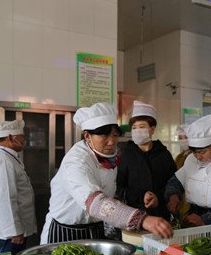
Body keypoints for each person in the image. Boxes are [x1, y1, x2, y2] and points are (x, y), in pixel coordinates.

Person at [40, 103, 172, 244]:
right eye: (104, 135)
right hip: (65, 232)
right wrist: (141, 219)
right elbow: (95, 202)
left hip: (95, 228)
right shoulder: (76, 162)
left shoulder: (109, 157)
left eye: (115, 135)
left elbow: (112, 194)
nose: (111, 142)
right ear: (87, 136)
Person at [116, 101, 177, 220]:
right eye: (134, 128)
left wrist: (158, 197)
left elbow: (173, 182)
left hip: (161, 215)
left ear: (152, 129)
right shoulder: (126, 155)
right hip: (134, 216)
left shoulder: (164, 154)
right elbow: (118, 187)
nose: (137, 131)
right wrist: (141, 196)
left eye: (142, 127)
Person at [0, 119, 36, 255]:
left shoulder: (5, 156)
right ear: (11, 138)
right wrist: (14, 230)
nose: (24, 140)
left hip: (10, 232)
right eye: (22, 137)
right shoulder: (4, 161)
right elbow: (5, 198)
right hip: (9, 236)